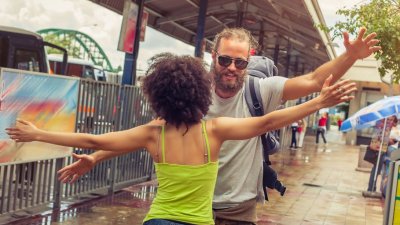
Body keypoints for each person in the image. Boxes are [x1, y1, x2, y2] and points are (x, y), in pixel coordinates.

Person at [55, 27, 379, 224]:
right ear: (213, 56)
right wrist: (96, 157)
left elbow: (311, 80)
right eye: (225, 59)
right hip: (193, 211)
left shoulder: (260, 90)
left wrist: (349, 56)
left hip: (239, 209)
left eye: (240, 62)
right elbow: (151, 134)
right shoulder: (191, 93)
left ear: (248, 63)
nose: (232, 68)